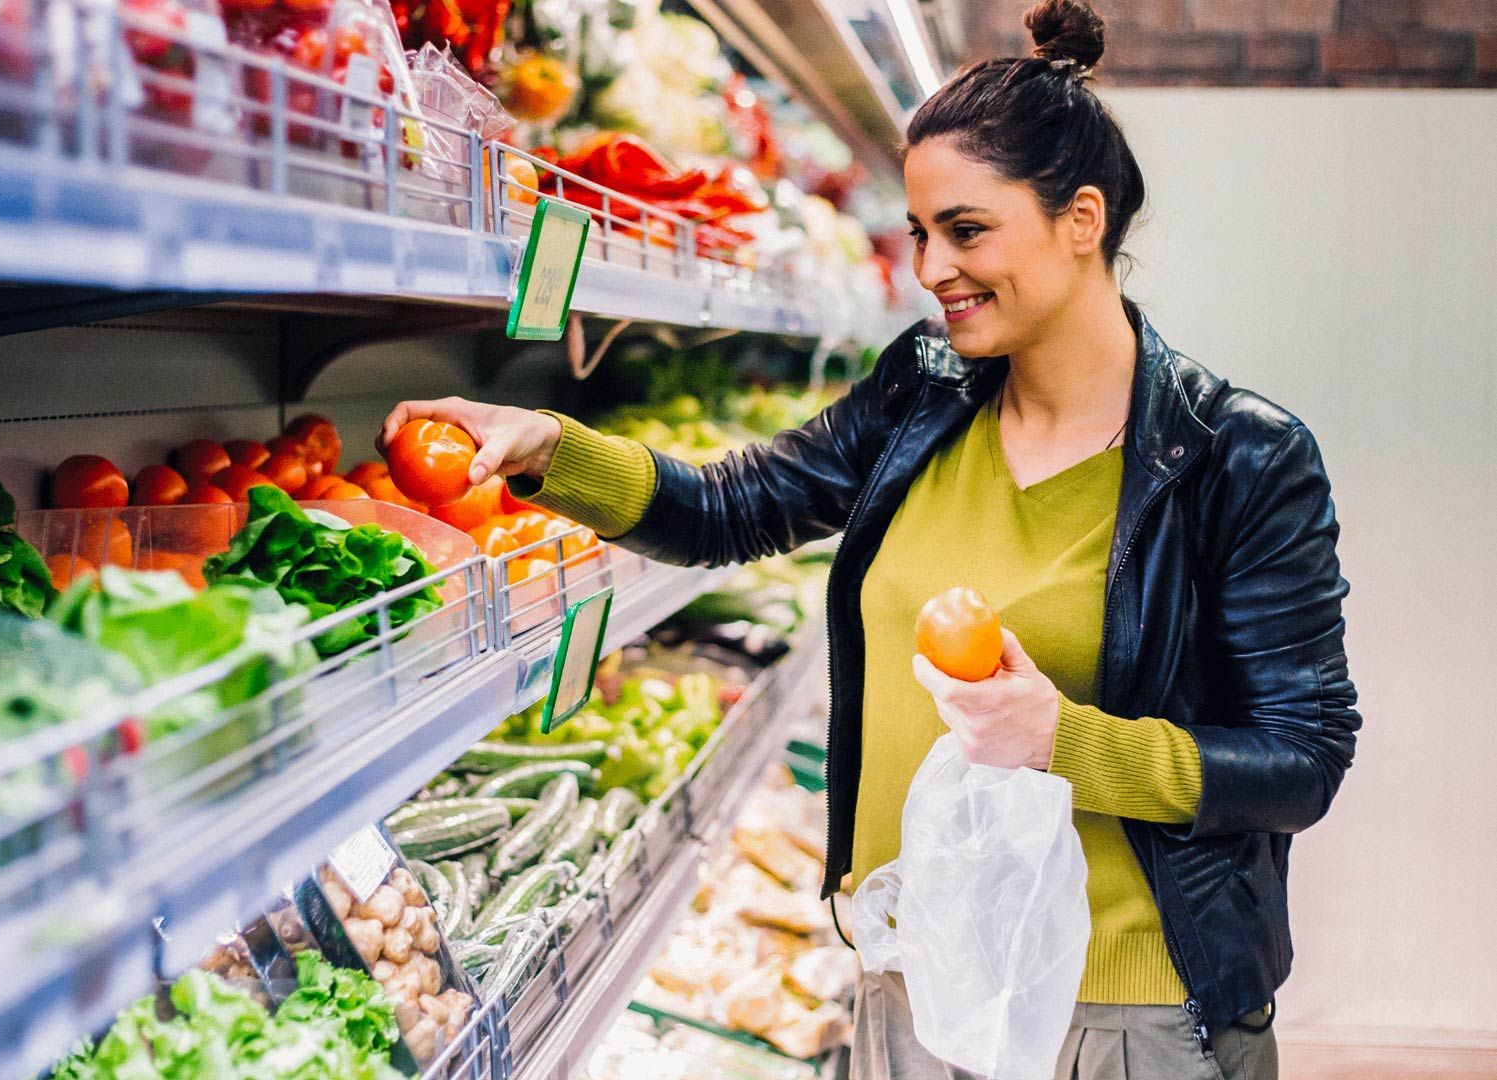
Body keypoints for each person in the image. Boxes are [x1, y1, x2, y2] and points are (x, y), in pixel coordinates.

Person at [379, 1, 1360, 1074]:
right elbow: (730, 507)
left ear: (1081, 219)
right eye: (918, 234)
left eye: (966, 230)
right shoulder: (921, 393)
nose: (931, 267)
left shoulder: (1238, 459)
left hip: (1118, 1016)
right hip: (908, 977)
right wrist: (544, 449)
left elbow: (1298, 760)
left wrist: (1062, 740)